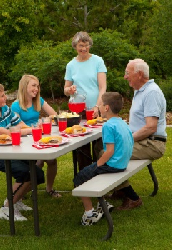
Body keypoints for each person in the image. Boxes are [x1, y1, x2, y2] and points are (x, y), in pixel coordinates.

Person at [0, 81, 45, 221]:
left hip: (12, 151)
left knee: (38, 174)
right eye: (2, 96)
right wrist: (34, 129)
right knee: (26, 173)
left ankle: (17, 200)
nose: (5, 98)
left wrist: (28, 129)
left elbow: (20, 124)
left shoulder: (6, 110)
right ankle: (7, 208)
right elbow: (8, 133)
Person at [109, 59, 167, 210]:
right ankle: (120, 189)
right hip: (144, 140)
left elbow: (150, 127)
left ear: (139, 74)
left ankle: (132, 197)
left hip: (152, 143)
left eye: (127, 73)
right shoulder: (141, 91)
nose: (125, 76)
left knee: (108, 152)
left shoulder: (151, 93)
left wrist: (125, 139)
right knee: (101, 146)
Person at [73, 92, 134, 226]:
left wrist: (98, 164)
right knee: (90, 174)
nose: (98, 107)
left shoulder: (108, 125)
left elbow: (109, 151)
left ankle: (90, 215)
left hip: (113, 165)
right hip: (122, 163)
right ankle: (102, 204)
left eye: (100, 104)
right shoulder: (123, 122)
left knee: (79, 178)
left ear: (106, 108)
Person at [11, 75, 61, 198]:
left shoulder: (39, 101)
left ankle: (49, 189)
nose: (37, 89)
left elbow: (54, 115)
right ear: (24, 86)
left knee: (51, 160)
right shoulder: (16, 106)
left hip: (39, 136)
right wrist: (34, 128)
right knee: (38, 163)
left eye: (38, 86)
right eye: (33, 85)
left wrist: (46, 120)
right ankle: (25, 191)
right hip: (25, 140)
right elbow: (17, 126)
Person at [64, 31, 107, 171]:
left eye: (86, 45)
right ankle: (84, 175)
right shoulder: (71, 65)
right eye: (81, 45)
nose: (84, 48)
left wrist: (97, 106)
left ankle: (100, 172)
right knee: (81, 146)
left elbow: (103, 87)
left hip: (96, 109)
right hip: (78, 110)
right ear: (75, 46)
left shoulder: (98, 61)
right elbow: (65, 89)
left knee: (99, 144)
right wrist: (69, 90)